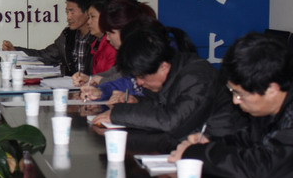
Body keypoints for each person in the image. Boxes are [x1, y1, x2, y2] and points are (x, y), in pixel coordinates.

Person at [170, 33, 293, 178]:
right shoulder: (272, 103)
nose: (235, 101)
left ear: (272, 89)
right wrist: (210, 142)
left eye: (240, 94)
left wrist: (197, 154)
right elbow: (248, 139)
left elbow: (265, 169)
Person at [92, 21, 238, 140]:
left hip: (222, 147)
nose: (139, 83)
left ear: (164, 67)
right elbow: (164, 106)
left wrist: (118, 114)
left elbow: (173, 122)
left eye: (142, 77)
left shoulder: (197, 77)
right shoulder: (174, 71)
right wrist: (136, 101)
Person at [2, 0, 93, 75]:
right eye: (67, 12)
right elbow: (45, 56)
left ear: (87, 12)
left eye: (72, 12)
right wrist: (15, 51)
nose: (68, 17)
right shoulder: (68, 35)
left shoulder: (98, 37)